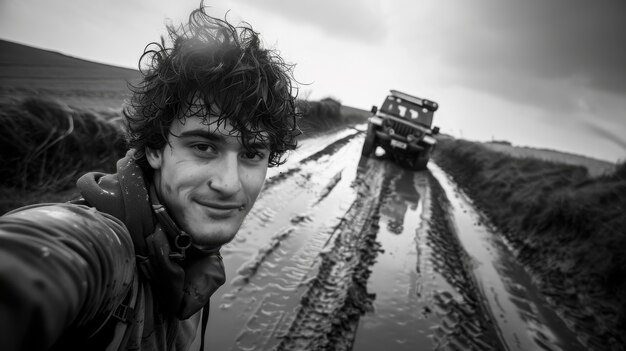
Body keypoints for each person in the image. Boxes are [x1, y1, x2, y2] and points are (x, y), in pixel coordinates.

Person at [0, 3, 300, 351]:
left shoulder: (191, 254)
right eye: (204, 147)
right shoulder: (100, 246)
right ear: (156, 148)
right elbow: (37, 259)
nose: (230, 184)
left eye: (251, 154)